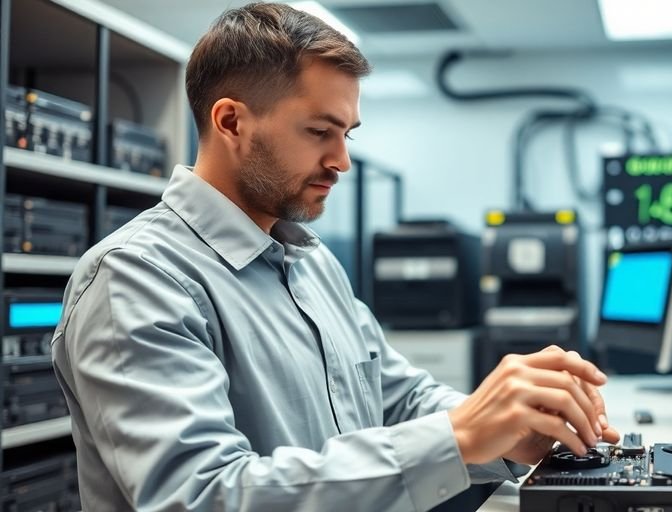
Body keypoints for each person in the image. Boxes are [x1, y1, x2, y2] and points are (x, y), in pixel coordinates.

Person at [51, 3, 619, 511]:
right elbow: (203, 495)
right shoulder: (135, 279)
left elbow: (397, 398)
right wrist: (459, 435)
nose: (342, 160)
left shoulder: (309, 262)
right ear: (231, 122)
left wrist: (512, 425)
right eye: (321, 131)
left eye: (347, 133)